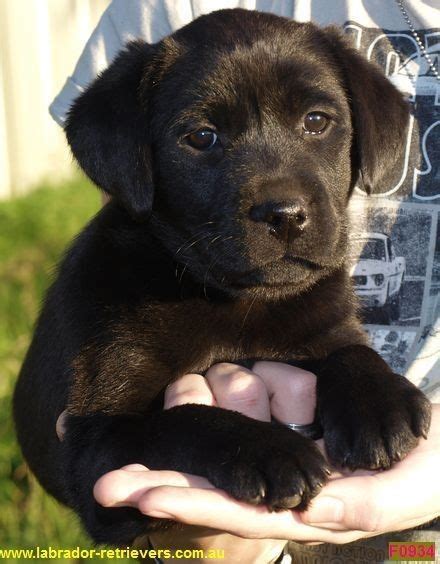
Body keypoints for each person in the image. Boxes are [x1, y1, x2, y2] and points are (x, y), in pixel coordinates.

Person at [51, 1, 440, 562]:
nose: (282, 199)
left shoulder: (317, 290)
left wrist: (356, 374)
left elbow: (337, 353)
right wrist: (218, 446)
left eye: (315, 122)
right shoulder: (123, 296)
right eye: (204, 137)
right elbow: (102, 467)